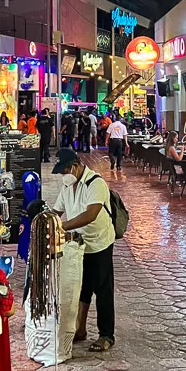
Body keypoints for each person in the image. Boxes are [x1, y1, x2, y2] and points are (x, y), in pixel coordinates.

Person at [52, 148, 116, 352]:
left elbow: (91, 215)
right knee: (81, 288)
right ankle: (79, 329)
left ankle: (106, 335)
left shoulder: (95, 183)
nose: (64, 175)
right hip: (79, 245)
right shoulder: (67, 187)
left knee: (103, 290)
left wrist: (61, 227)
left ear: (76, 166)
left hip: (99, 243)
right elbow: (57, 211)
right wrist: (46, 220)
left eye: (65, 171)